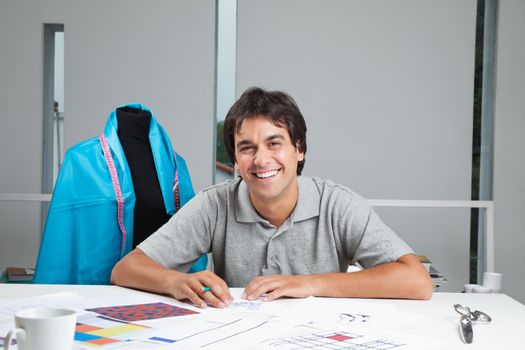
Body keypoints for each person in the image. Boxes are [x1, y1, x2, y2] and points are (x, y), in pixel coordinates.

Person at [111, 87, 433, 308]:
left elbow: (417, 281)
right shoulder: (215, 204)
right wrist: (174, 282)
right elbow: (125, 270)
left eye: (274, 143)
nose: (261, 159)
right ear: (236, 160)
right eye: (246, 148)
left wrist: (309, 285)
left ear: (299, 149)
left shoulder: (337, 205)